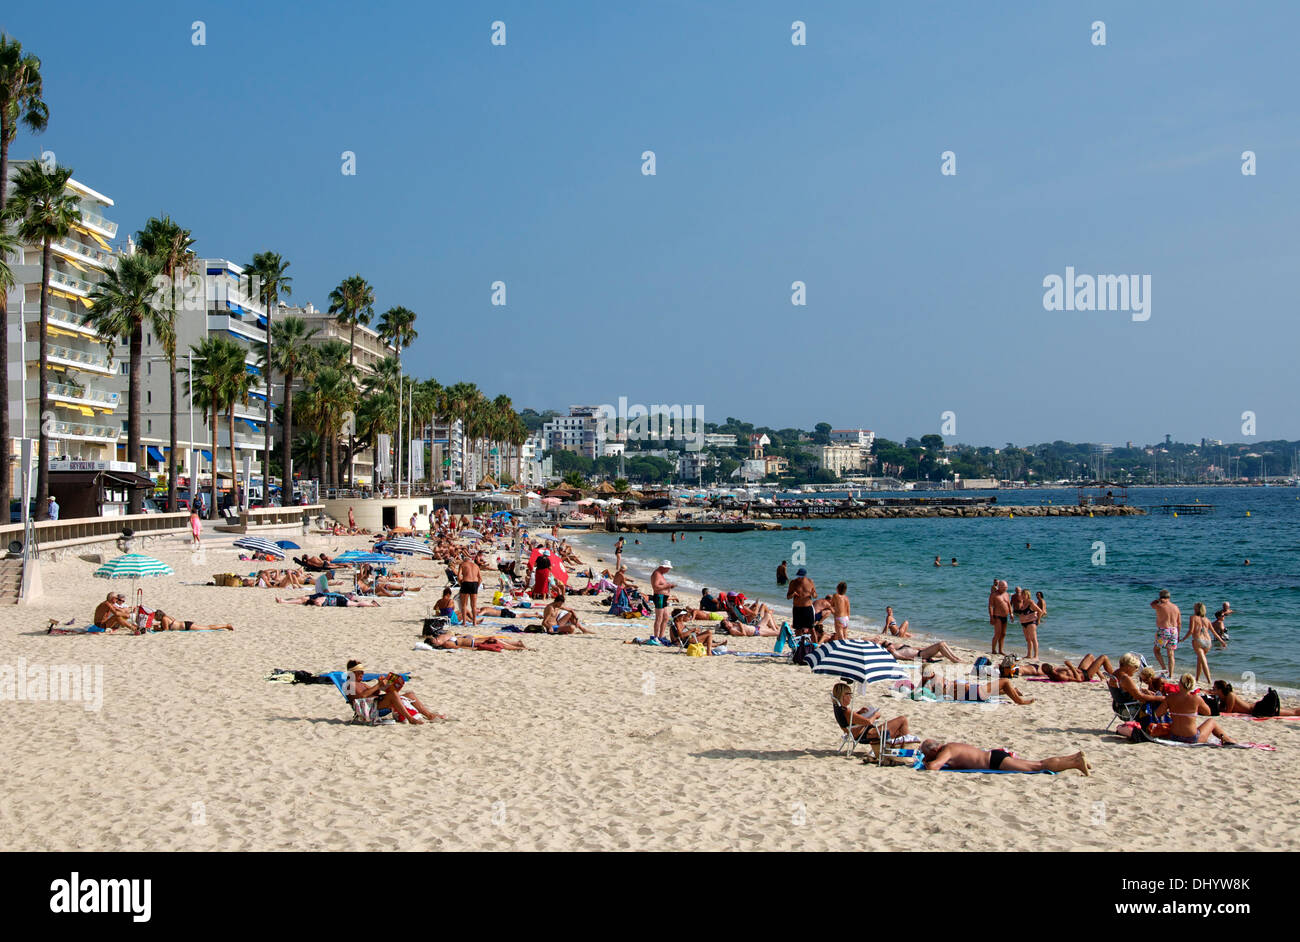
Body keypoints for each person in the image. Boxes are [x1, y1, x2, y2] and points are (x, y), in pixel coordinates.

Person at [345, 661, 445, 723]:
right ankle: (410, 719)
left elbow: (374, 694)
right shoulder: (350, 684)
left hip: (374, 704)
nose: (363, 673)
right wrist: (378, 685)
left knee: (410, 694)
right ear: (352, 672)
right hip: (366, 709)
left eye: (363, 671)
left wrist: (382, 685)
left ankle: (429, 715)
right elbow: (361, 696)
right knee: (392, 694)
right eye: (360, 671)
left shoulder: (361, 684)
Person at [919, 740, 1091, 775]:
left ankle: (1075, 763)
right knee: (1037, 762)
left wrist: (926, 762)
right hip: (995, 755)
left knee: (1038, 766)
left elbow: (934, 767)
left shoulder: (945, 752)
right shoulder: (951, 745)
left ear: (933, 751)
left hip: (995, 761)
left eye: (927, 754)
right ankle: (1074, 757)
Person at [1152, 674, 1236, 744]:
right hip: (1191, 738)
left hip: (1174, 736)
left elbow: (1158, 713)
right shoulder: (1196, 699)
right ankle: (1228, 740)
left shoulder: (1170, 698)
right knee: (1212, 722)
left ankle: (1227, 739)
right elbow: (1208, 712)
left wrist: (1171, 708)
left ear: (1180, 684)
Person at [831, 682, 912, 744]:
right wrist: (875, 715)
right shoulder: (846, 711)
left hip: (860, 732)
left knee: (900, 730)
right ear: (842, 696)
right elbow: (868, 722)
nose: (851, 697)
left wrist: (859, 712)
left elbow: (848, 720)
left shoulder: (839, 709)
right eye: (849, 694)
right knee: (903, 720)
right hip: (867, 733)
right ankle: (910, 748)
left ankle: (907, 748)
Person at [918, 663, 1034, 704]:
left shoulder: (935, 678)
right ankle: (1019, 701)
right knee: (1005, 681)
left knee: (999, 687)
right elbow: (920, 691)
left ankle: (1013, 692)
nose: (932, 671)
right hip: (973, 693)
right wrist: (923, 682)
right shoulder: (931, 684)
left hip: (973, 691)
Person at [1180, 602, 1226, 686]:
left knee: (1203, 661)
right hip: (1208, 642)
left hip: (1198, 640)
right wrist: (1222, 641)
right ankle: (1197, 679)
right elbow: (1214, 632)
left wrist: (1183, 639)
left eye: (1194, 608)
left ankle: (1209, 681)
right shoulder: (1207, 619)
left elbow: (1191, 631)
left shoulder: (1193, 618)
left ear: (1196, 609)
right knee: (1200, 660)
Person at [1212, 680, 1300, 716]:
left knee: (1292, 712)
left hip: (1258, 709)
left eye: (1214, 689)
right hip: (1257, 708)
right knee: (1290, 710)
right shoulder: (1224, 698)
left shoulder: (1230, 695)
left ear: (1220, 690)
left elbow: (1228, 712)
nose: (1213, 690)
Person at [1151, 589, 1182, 675]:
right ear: (1169, 597)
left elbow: (1152, 604)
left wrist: (1158, 600)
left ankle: (1164, 668)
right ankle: (1171, 674)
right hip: (1174, 631)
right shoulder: (1176, 607)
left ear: (1161, 597)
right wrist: (1178, 634)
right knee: (1171, 654)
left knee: (1156, 650)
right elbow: (1179, 623)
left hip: (1163, 631)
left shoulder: (1159, 606)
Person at [786, 567, 817, 641]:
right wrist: (793, 594)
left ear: (805, 576)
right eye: (798, 576)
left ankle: (815, 645)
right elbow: (788, 597)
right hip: (797, 608)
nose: (799, 578)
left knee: (811, 629)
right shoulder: (793, 583)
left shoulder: (810, 582)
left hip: (807, 608)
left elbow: (815, 595)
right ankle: (798, 646)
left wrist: (813, 594)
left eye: (801, 576)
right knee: (798, 629)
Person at [1040, 654, 1114, 682]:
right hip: (1085, 676)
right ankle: (1115, 676)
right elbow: (1078, 679)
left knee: (1090, 656)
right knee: (1103, 657)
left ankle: (1101, 676)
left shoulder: (1054, 673)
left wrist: (1072, 669)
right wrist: (1071, 666)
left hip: (1080, 671)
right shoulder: (1060, 676)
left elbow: (1065, 670)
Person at [879, 638, 961, 663]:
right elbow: (904, 658)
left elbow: (915, 649)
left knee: (942, 644)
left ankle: (955, 658)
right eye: (889, 645)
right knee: (940, 644)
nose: (891, 645)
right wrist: (920, 660)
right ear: (887, 648)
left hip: (921, 652)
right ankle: (954, 659)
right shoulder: (894, 653)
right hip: (921, 655)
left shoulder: (897, 649)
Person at [650, 560, 675, 641]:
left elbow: (661, 585)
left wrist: (669, 586)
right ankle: (656, 637)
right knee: (659, 617)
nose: (668, 570)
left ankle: (661, 636)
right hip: (659, 597)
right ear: (663, 567)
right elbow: (656, 587)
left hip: (663, 598)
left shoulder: (661, 574)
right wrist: (668, 585)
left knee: (666, 617)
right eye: (667, 568)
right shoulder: (657, 574)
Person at [1014, 587, 1043, 659]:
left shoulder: (1031, 602)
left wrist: (1038, 620)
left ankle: (1036, 656)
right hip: (1024, 623)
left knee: (1033, 639)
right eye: (1022, 594)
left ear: (1028, 595)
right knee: (1028, 639)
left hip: (1031, 622)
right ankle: (1029, 654)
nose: (1023, 596)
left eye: (1024, 594)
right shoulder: (1023, 603)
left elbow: (1040, 611)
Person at [988, 580, 1011, 655]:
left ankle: (1001, 650)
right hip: (997, 616)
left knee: (1003, 634)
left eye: (1006, 587)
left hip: (1005, 616)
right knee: (997, 633)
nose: (1005, 588)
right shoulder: (994, 595)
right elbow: (990, 606)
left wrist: (1011, 614)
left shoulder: (1007, 594)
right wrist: (991, 617)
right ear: (999, 586)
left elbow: (1009, 604)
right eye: (1003, 587)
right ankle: (993, 650)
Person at [458, 553, 481, 624]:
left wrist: (461, 584)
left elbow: (459, 576)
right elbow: (480, 578)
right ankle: (474, 622)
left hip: (466, 582)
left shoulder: (462, 564)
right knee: (474, 605)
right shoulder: (476, 566)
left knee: (464, 605)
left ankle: (464, 622)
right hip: (474, 583)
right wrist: (477, 586)